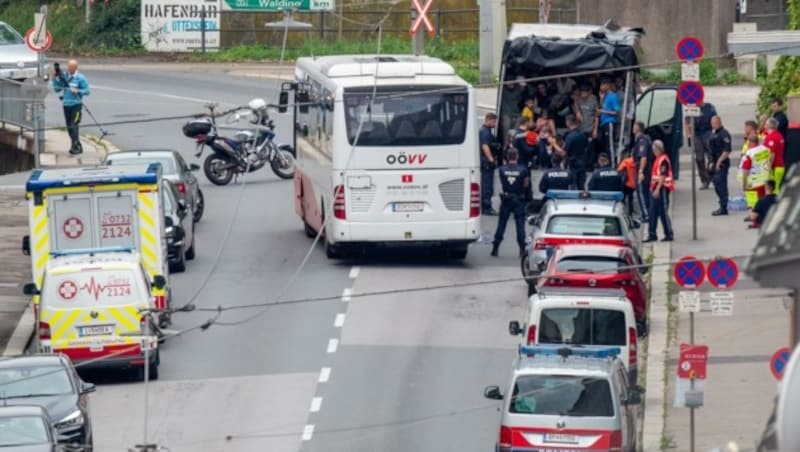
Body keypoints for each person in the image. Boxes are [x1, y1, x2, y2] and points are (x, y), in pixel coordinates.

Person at [491, 148, 530, 258]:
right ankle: (522, 249)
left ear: (507, 157)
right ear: (517, 156)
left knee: (502, 224)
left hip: (506, 198)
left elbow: (501, 183)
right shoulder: (523, 169)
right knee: (520, 224)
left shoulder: (502, 169)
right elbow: (526, 184)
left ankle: (495, 247)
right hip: (518, 199)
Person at [52, 59, 90, 155]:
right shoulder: (65, 77)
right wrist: (54, 78)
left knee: (74, 125)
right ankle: (76, 144)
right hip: (66, 105)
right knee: (69, 127)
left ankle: (75, 146)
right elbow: (57, 89)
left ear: (75, 68)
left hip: (76, 105)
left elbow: (87, 91)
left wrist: (78, 91)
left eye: (71, 67)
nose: (69, 69)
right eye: (68, 67)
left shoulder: (80, 78)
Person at [644, 140, 674, 242]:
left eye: (654, 149)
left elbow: (663, 175)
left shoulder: (663, 160)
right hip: (655, 189)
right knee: (652, 212)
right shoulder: (658, 159)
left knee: (663, 212)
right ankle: (652, 234)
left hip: (662, 189)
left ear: (658, 149)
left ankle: (669, 234)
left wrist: (657, 189)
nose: (653, 151)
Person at [739, 135, 772, 209]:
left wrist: (744, 185)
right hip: (765, 181)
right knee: (764, 202)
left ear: (751, 142)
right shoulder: (766, 149)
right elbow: (770, 161)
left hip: (753, 183)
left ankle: (754, 218)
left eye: (748, 142)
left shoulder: (749, 154)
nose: (747, 144)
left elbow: (745, 171)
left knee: (753, 204)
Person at [708, 116, 732, 216]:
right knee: (716, 184)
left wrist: (718, 162)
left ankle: (724, 207)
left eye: (715, 123)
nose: (713, 124)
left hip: (722, 163)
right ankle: (722, 205)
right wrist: (711, 162)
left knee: (721, 185)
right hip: (715, 162)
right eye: (712, 123)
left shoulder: (724, 134)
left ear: (719, 122)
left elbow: (726, 151)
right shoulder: (714, 133)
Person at [692, 101, 717, 190]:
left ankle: (713, 177)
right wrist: (688, 136)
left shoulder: (709, 107)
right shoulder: (691, 108)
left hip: (708, 132)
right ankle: (704, 180)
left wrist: (715, 132)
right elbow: (687, 123)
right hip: (697, 134)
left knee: (711, 157)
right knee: (699, 158)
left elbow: (715, 118)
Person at [560, 115, 589, 189]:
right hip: (582, 162)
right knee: (581, 186)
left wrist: (554, 144)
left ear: (568, 122)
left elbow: (564, 152)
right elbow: (586, 148)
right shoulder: (583, 135)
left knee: (573, 185)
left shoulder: (570, 137)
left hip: (573, 164)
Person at [479, 113, 500, 215]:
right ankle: (486, 207)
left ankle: (486, 205)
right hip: (486, 163)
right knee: (487, 186)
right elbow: (485, 147)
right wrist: (491, 160)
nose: (495, 123)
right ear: (487, 120)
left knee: (488, 185)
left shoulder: (487, 131)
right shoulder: (485, 132)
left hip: (487, 162)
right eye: (493, 121)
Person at [633, 121, 654, 221]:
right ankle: (648, 214)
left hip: (644, 169)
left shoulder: (642, 140)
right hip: (646, 168)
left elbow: (643, 157)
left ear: (638, 128)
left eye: (635, 126)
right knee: (645, 192)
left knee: (641, 192)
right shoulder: (641, 139)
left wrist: (641, 171)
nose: (633, 128)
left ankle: (646, 215)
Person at [574, 84, 599, 166]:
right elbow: (576, 104)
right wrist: (577, 112)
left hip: (590, 128)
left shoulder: (593, 100)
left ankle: (590, 165)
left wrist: (595, 130)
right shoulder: (579, 100)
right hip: (581, 128)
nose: (583, 94)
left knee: (591, 148)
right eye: (582, 93)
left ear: (589, 93)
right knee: (582, 147)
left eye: (585, 93)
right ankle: (583, 164)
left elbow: (596, 116)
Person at [598, 78, 620, 161]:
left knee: (610, 145)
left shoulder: (613, 96)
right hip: (603, 123)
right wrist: (601, 99)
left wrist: (602, 111)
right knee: (605, 145)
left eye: (602, 85)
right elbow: (603, 107)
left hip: (609, 122)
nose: (601, 87)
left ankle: (613, 164)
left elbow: (616, 111)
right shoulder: (605, 96)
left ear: (607, 86)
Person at [764, 117, 786, 194]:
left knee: (773, 189)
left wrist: (769, 168)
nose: (764, 126)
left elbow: (771, 154)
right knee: (777, 188)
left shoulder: (771, 137)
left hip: (775, 167)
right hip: (780, 165)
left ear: (770, 125)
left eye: (766, 124)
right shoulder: (779, 135)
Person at [617, 150, 637, 215]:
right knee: (630, 199)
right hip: (633, 184)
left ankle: (623, 211)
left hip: (626, 183)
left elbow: (619, 169)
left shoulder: (626, 161)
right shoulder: (638, 162)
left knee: (623, 198)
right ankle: (630, 212)